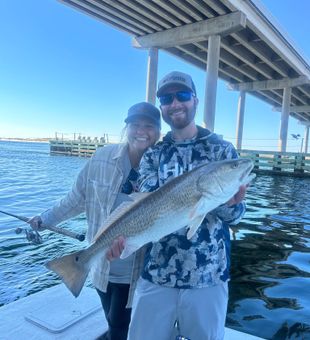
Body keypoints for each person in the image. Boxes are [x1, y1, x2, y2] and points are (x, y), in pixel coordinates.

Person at [110, 71, 248, 340]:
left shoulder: (221, 152)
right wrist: (123, 240)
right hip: (157, 274)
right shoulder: (153, 154)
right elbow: (146, 209)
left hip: (209, 278)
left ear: (195, 100)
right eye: (166, 98)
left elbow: (235, 216)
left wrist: (228, 204)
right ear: (162, 106)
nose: (175, 104)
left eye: (182, 96)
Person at [29, 102, 161, 340]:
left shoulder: (164, 167)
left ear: (159, 131)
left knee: (121, 326)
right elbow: (75, 199)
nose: (141, 131)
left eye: (149, 126)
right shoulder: (101, 157)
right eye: (135, 125)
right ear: (126, 128)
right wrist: (45, 218)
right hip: (100, 266)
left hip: (138, 272)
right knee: (113, 321)